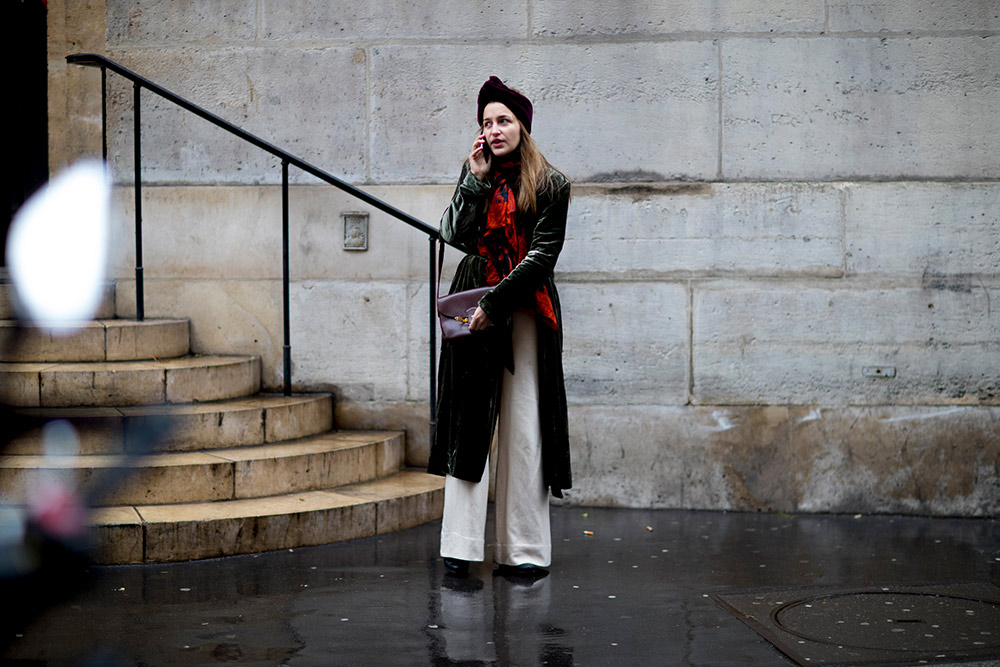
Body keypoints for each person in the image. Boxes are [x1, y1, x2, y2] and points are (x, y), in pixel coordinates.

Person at [428, 76, 572, 578]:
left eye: (503, 120)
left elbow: (540, 257)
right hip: (476, 307)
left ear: (523, 127)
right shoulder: (479, 174)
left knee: (525, 427)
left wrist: (496, 303)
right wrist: (475, 179)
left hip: (526, 310)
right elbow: (454, 234)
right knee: (469, 424)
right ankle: (460, 545)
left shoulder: (552, 184)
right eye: (486, 122)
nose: (493, 130)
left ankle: (525, 550)